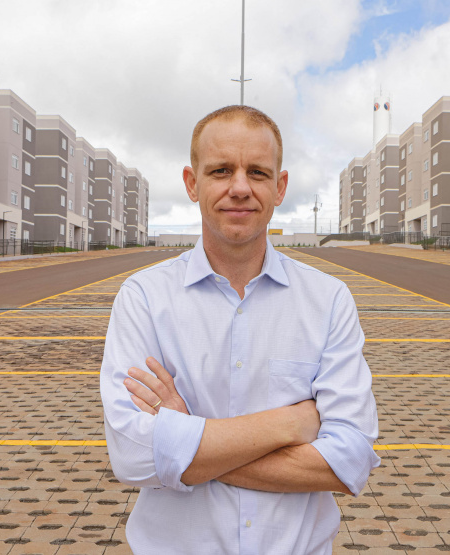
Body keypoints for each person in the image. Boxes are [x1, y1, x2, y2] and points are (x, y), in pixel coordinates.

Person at [99, 105, 379, 554]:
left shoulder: (328, 300)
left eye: (258, 173)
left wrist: (187, 436)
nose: (240, 188)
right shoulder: (144, 298)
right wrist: (291, 422)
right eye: (221, 170)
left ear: (280, 186)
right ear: (192, 183)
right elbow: (133, 457)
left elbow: (348, 462)